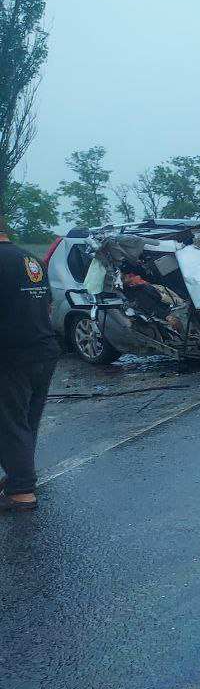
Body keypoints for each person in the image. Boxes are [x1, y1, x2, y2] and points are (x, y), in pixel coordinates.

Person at [0, 218, 60, 512]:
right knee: (25, 420)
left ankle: (22, 491)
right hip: (43, 350)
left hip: (11, 355)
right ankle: (19, 475)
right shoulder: (30, 259)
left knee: (9, 422)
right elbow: (47, 306)